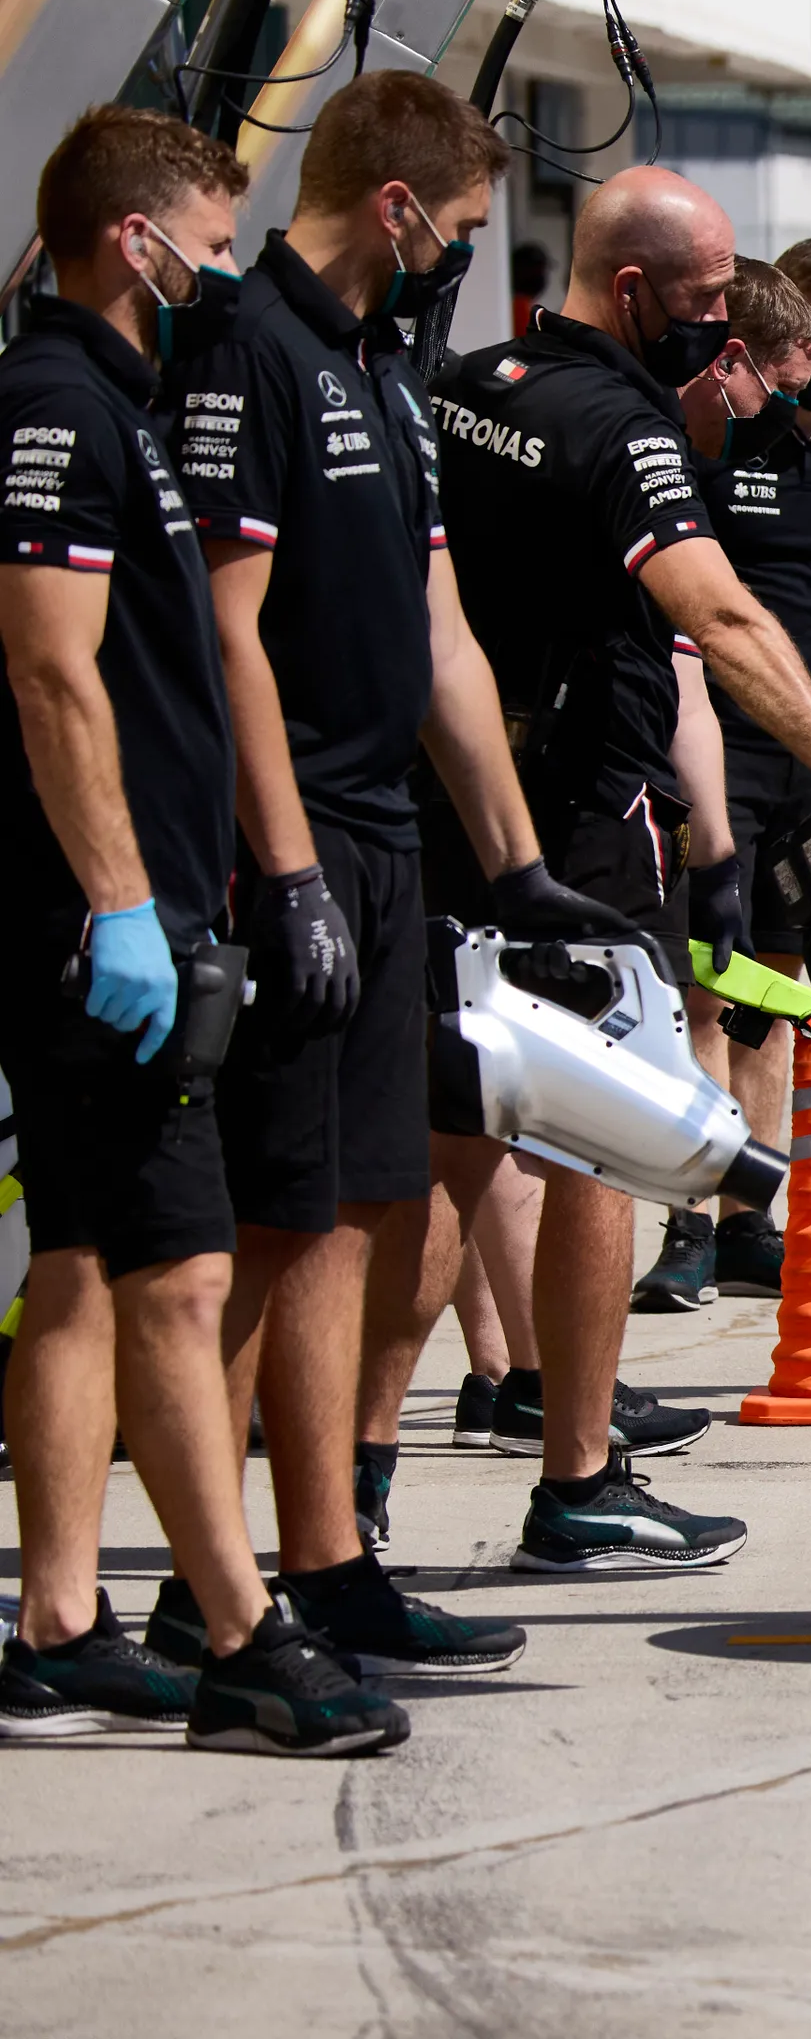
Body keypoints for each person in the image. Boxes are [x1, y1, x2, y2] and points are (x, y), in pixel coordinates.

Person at [161, 73, 634, 1678]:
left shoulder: (387, 370)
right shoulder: (249, 350)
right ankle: (218, 1580)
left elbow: (444, 638)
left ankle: (326, 1560)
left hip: (385, 842)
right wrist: (285, 871)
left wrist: (517, 867)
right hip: (288, 838)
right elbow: (226, 632)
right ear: (396, 205)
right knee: (279, 1216)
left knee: (361, 1206)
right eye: (463, 227)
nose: (466, 256)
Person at [430, 165, 811, 1574]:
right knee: (602, 1137)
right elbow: (713, 619)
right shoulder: (626, 427)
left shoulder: (471, 384)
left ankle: (344, 1511)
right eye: (710, 297)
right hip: (582, 820)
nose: (730, 322)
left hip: (463, 804)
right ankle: (578, 1478)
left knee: (437, 1153)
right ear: (632, 293)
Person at [0, 106, 406, 1755]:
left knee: (81, 1269)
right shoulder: (56, 407)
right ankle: (242, 1637)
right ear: (134, 240)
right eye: (213, 246)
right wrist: (120, 905)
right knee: (182, 1273)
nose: (226, 275)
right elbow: (50, 667)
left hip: (134, 902)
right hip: (101, 919)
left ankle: (58, 1624)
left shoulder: (115, 403)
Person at [635, 242, 811, 1308]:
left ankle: (753, 1219)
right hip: (714, 752)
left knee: (780, 993)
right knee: (706, 988)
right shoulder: (722, 436)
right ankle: (689, 1222)